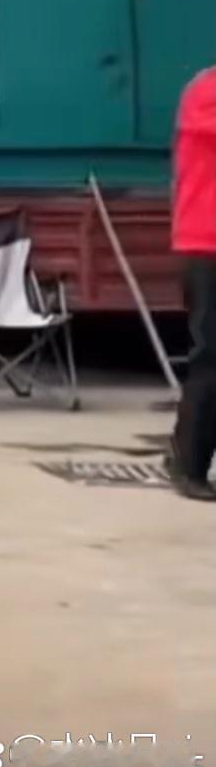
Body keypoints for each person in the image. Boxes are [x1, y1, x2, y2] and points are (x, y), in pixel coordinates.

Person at [168, 65, 216, 502]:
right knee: (211, 358)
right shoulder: (206, 93)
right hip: (207, 244)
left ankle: (184, 454)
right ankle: (189, 466)